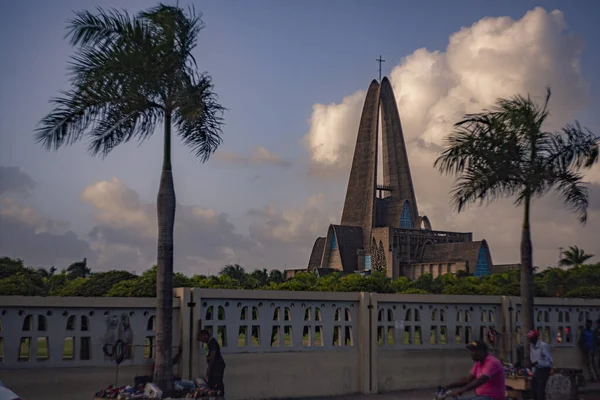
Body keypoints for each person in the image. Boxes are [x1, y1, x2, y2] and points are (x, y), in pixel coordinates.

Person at [441, 340, 505, 400]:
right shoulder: (479, 363)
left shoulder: (492, 362)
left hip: (492, 397)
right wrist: (448, 386)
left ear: (481, 351)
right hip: (481, 396)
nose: (471, 354)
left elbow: (481, 380)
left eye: (473, 351)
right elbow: (467, 380)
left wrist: (462, 390)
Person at [527, 329, 553, 400]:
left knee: (540, 389)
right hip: (537, 369)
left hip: (544, 369)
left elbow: (549, 362)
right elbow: (533, 359)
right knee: (533, 387)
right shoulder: (531, 346)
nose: (530, 340)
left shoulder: (543, 346)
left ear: (536, 337)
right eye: (529, 338)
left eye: (531, 338)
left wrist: (538, 362)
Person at [199, 329, 226, 395]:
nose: (201, 340)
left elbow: (213, 354)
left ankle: (220, 396)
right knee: (211, 383)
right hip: (214, 366)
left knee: (216, 383)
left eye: (201, 337)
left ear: (206, 335)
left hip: (217, 366)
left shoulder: (212, 342)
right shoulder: (209, 343)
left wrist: (209, 367)